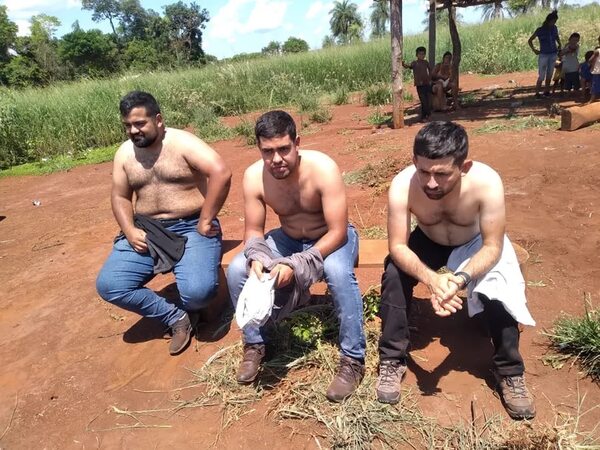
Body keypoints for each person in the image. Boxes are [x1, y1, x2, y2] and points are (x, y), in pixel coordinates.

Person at [375, 121, 536, 421]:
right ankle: (392, 360)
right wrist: (433, 279)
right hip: (429, 240)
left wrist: (460, 279)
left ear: (465, 167)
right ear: (414, 162)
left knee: (500, 282)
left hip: (474, 241)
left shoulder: (487, 182)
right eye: (424, 171)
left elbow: (493, 247)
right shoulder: (402, 185)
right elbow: (398, 246)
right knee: (394, 274)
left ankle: (509, 371)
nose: (431, 183)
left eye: (442, 174)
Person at [227, 110, 366, 402]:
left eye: (283, 149)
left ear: (297, 143)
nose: (276, 159)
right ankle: (255, 343)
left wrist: (296, 264)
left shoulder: (323, 169)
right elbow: (253, 230)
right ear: (259, 149)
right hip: (288, 238)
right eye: (268, 151)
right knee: (237, 268)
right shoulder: (254, 176)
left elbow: (338, 231)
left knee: (339, 273)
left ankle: (353, 358)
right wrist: (256, 257)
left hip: (330, 238)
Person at [96, 91, 232, 355]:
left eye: (139, 123)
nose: (133, 131)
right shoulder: (124, 154)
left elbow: (221, 172)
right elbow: (120, 196)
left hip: (192, 226)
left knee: (198, 293)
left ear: (158, 120)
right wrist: (129, 229)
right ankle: (175, 317)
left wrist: (206, 219)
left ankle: (206, 292)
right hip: (147, 230)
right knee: (110, 285)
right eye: (127, 126)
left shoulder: (182, 143)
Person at [528, 10, 561, 98]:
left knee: (549, 74)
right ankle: (537, 92)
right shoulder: (540, 30)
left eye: (555, 22)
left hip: (553, 53)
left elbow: (556, 36)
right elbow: (530, 40)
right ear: (548, 21)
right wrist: (534, 50)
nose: (554, 23)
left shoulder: (555, 28)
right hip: (543, 54)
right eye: (553, 21)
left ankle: (547, 91)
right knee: (541, 75)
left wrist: (559, 44)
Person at [403, 47, 432, 122]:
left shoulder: (426, 62)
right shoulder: (414, 63)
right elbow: (408, 66)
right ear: (417, 55)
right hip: (419, 85)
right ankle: (427, 115)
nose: (421, 55)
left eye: (423, 54)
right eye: (420, 54)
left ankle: (424, 117)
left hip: (427, 84)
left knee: (427, 101)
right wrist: (403, 64)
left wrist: (430, 79)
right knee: (423, 101)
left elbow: (430, 70)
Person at [588, 35, 600, 104]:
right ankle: (591, 99)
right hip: (597, 71)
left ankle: (591, 100)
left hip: (597, 71)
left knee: (595, 85)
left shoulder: (597, 51)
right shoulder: (597, 51)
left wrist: (591, 65)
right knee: (595, 85)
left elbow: (590, 60)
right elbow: (591, 60)